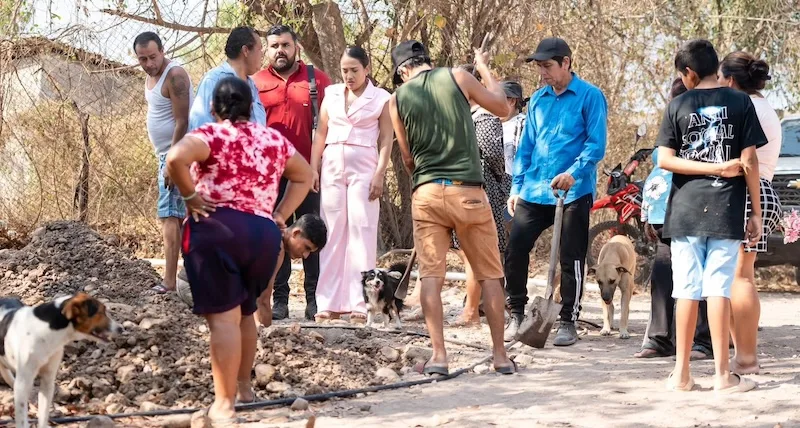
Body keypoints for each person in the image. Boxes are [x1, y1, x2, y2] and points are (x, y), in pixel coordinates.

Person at [166, 76, 312, 423]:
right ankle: (244, 389)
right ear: (251, 108)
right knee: (246, 312)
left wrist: (190, 195)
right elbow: (305, 175)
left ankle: (224, 403)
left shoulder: (212, 134)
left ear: (213, 109)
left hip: (217, 230)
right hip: (262, 236)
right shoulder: (273, 139)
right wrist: (279, 213)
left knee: (224, 319)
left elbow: (174, 158)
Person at [388, 40, 515, 374]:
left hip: (427, 193)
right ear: (425, 61)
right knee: (490, 275)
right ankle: (500, 356)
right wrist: (483, 66)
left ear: (403, 70)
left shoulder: (396, 99)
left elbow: (407, 158)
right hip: (468, 192)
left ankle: (440, 357)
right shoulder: (458, 76)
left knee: (431, 276)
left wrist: (427, 181)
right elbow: (502, 108)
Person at [656, 39, 763, 393]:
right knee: (719, 288)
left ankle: (681, 374)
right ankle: (722, 376)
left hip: (686, 209)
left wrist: (705, 167)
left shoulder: (677, 105)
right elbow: (750, 161)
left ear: (688, 73)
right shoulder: (741, 102)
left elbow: (665, 160)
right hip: (726, 207)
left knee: (686, 289)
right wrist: (755, 212)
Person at [504, 37, 608, 346]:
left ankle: (568, 320)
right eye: (539, 67)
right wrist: (517, 187)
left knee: (571, 256)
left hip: (573, 191)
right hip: (535, 189)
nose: (543, 73)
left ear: (566, 63)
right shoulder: (538, 99)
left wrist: (573, 173)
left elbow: (595, 145)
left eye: (547, 66)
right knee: (515, 248)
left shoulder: (590, 96)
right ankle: (516, 313)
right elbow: (526, 147)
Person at [253, 24, 333, 321]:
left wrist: (318, 165)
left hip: (308, 173)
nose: (280, 51)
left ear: (296, 46)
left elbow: (330, 126)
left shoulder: (317, 80)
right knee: (277, 232)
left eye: (285, 45)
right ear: (267, 50)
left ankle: (314, 299)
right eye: (274, 46)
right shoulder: (255, 82)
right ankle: (280, 299)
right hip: (270, 174)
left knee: (310, 233)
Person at [308, 46, 392, 323]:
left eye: (354, 70)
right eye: (344, 70)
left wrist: (380, 173)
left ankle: (360, 302)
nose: (349, 76)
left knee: (362, 230)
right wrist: (313, 167)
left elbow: (386, 139)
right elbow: (321, 132)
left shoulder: (382, 98)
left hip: (364, 166)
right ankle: (328, 302)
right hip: (332, 163)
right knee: (331, 231)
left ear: (367, 69)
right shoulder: (331, 93)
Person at [634, 78, 713, 360]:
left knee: (697, 273)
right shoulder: (670, 126)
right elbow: (658, 173)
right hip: (663, 213)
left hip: (693, 208)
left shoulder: (708, 128)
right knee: (663, 273)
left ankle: (702, 341)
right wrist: (647, 212)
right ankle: (660, 340)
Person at [718, 51, 783, 375]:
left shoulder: (744, 108)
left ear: (730, 80)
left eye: (720, 78)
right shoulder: (765, 107)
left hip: (747, 192)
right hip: (763, 191)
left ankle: (746, 358)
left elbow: (742, 160)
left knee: (739, 277)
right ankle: (742, 356)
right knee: (742, 276)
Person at [134, 31, 193, 294]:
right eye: (142, 59)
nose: (148, 63)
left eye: (152, 57)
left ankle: (169, 282)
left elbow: (183, 120)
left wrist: (172, 160)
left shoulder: (174, 75)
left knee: (170, 217)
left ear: (162, 50)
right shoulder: (151, 76)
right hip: (166, 154)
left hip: (175, 154)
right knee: (174, 217)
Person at [451, 64, 510, 326]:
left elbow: (495, 157)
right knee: (468, 253)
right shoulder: (460, 116)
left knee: (478, 253)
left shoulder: (484, 118)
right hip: (460, 189)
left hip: (483, 190)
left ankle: (473, 311)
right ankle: (476, 307)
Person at [189, 26, 266, 131]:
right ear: (246, 50)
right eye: (259, 49)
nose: (262, 54)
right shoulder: (214, 80)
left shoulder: (251, 84)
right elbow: (200, 128)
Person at [255, 214, 328, 325]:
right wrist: (266, 331)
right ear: (296, 233)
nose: (305, 256)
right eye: (307, 248)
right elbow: (262, 300)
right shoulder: (276, 244)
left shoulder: (273, 234)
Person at [500, 80, 528, 178]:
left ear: (512, 101)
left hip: (517, 182)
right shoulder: (490, 124)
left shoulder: (524, 124)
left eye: (498, 99)